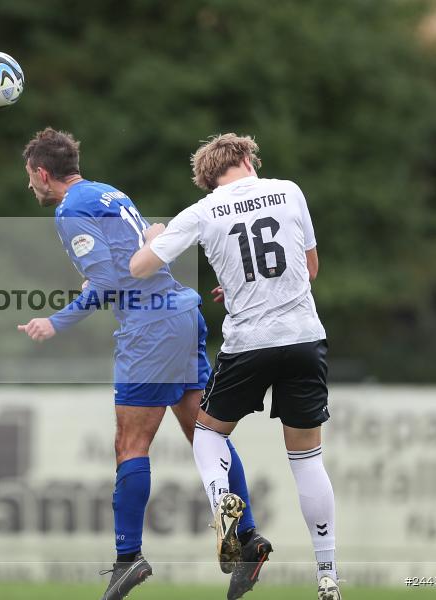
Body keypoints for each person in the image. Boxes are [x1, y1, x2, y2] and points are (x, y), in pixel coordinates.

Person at [17, 128, 268, 600]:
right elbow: (141, 249)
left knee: (130, 444)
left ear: (43, 173)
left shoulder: (70, 211)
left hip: (149, 328)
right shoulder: (109, 192)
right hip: (181, 314)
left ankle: (128, 557)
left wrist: (57, 321)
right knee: (205, 435)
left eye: (30, 177)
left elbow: (110, 280)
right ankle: (249, 538)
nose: (29, 185)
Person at [130, 133, 340, 600]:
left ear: (209, 181)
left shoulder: (203, 210)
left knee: (208, 433)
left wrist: (154, 237)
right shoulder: (288, 190)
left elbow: (140, 266)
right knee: (307, 460)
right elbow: (308, 269)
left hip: (249, 344)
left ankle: (221, 504)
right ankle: (327, 574)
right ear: (246, 157)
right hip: (304, 338)